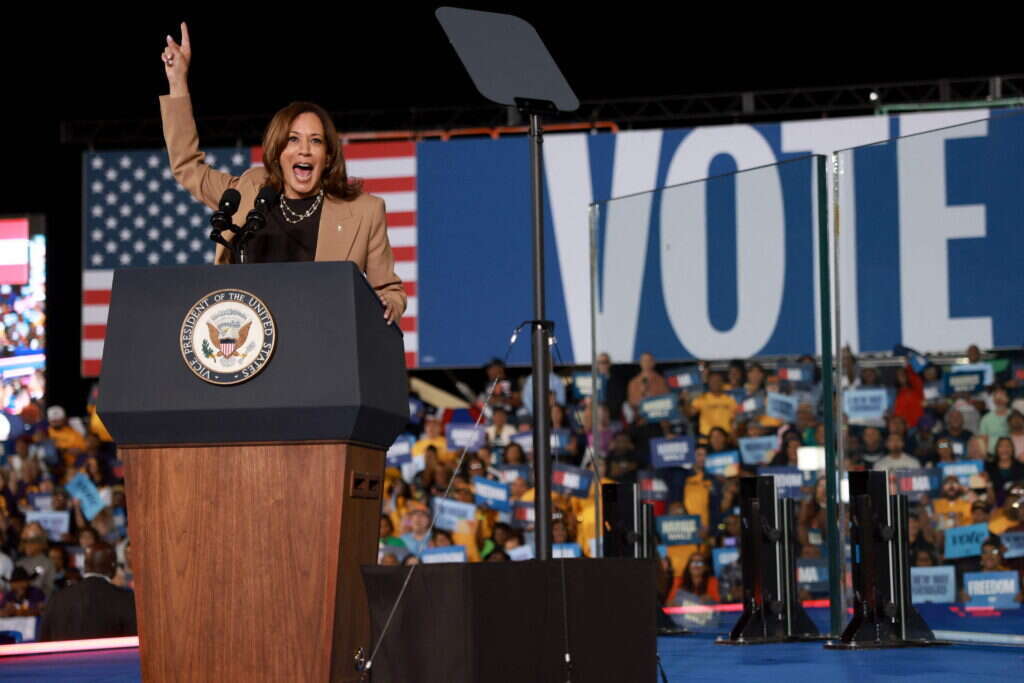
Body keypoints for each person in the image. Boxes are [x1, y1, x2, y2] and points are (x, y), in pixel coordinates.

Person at [159, 23, 405, 323]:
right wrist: (178, 82)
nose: (305, 150)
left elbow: (389, 290)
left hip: (320, 336)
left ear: (328, 156)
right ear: (277, 151)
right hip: (247, 338)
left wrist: (390, 303)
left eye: (316, 141)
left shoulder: (365, 211)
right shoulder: (248, 189)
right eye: (293, 139)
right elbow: (187, 166)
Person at [37, 542, 137, 641]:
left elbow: (44, 641)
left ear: (85, 567)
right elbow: (134, 642)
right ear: (113, 566)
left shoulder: (57, 598)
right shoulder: (126, 599)